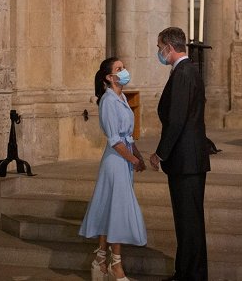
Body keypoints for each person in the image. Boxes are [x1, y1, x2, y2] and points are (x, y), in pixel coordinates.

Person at [149, 27, 210, 281]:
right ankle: (185, 272)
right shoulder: (187, 71)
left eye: (159, 47)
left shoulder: (184, 72)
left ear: (169, 48)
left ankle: (191, 275)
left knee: (189, 223)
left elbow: (177, 119)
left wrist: (160, 154)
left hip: (185, 159)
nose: (158, 52)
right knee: (187, 223)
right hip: (187, 158)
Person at [79, 57, 147, 281]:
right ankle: (116, 266)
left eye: (124, 67)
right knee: (116, 211)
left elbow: (128, 135)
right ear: (109, 77)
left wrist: (137, 155)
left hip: (124, 158)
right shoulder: (108, 100)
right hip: (115, 160)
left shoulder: (122, 98)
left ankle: (100, 258)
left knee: (110, 208)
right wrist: (133, 159)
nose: (124, 71)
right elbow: (115, 140)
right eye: (119, 69)